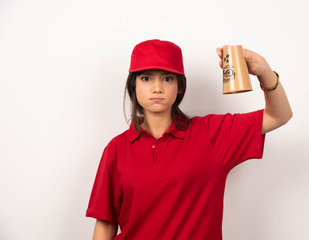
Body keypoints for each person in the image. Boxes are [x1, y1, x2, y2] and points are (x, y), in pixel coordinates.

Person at [86, 39, 292, 240]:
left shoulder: (212, 133)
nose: (157, 88)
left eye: (167, 78)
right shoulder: (117, 149)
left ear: (180, 86)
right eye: (146, 78)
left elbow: (278, 116)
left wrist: (264, 72)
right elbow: (105, 223)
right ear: (134, 86)